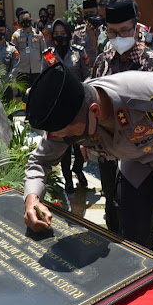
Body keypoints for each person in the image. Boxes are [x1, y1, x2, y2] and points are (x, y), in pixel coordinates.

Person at [23, 63, 153, 281]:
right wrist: (32, 199)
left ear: (95, 111)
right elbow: (40, 161)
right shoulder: (68, 115)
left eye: (72, 137)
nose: (68, 142)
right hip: (136, 163)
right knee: (132, 243)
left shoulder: (152, 95)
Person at [91, 2, 153, 234]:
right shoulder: (101, 62)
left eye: (125, 30)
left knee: (140, 221)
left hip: (142, 157)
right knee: (113, 213)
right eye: (112, 32)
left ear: (137, 27)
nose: (119, 36)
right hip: (108, 154)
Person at [43, 18, 90, 194]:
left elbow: (87, 76)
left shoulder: (79, 51)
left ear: (69, 34)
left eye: (63, 34)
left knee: (80, 144)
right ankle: (68, 179)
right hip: (58, 108)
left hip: (78, 106)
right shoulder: (48, 55)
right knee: (64, 146)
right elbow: (44, 79)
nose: (60, 37)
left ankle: (78, 169)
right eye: (56, 34)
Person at [10, 10, 47, 87]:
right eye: (23, 20)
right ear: (19, 22)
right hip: (22, 70)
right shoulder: (15, 35)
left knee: (37, 92)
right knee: (25, 95)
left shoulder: (38, 34)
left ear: (31, 20)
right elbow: (13, 53)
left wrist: (44, 69)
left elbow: (44, 51)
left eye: (27, 19)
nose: (25, 21)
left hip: (37, 69)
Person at [0, 17, 19, 102]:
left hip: (6, 85)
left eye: (1, 31)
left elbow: (15, 67)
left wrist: (6, 80)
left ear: (5, 31)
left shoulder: (12, 49)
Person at [72, 0, 105, 65]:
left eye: (91, 12)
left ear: (97, 13)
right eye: (86, 13)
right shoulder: (78, 32)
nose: (89, 15)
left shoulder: (104, 31)